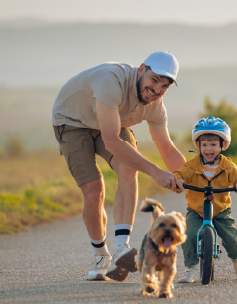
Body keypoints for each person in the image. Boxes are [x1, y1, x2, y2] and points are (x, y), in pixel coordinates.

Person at [52, 51, 186, 281]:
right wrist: (155, 172)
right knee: (94, 190)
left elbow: (167, 148)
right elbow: (112, 142)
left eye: (164, 86)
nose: (156, 90)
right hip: (72, 121)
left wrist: (194, 179)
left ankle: (122, 248)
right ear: (142, 69)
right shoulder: (111, 81)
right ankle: (100, 254)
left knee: (128, 167)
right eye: (154, 80)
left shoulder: (155, 106)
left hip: (111, 120)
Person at [172, 117, 237, 283]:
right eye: (205, 144)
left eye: (213, 144)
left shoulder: (227, 166)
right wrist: (176, 180)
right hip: (196, 209)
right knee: (189, 234)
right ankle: (191, 268)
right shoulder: (192, 165)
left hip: (220, 208)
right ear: (198, 146)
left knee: (230, 236)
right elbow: (181, 173)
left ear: (223, 145)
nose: (209, 148)